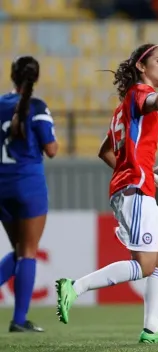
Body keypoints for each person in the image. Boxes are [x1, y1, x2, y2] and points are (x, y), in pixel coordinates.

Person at [55, 33, 158, 344]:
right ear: (141, 67)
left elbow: (105, 151)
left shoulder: (124, 106)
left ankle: (151, 329)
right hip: (134, 189)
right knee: (145, 264)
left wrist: (138, 167)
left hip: (136, 183)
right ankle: (75, 287)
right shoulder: (139, 93)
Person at [0, 56, 58, 332]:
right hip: (27, 183)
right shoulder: (36, 107)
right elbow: (51, 149)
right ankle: (19, 320)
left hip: (1, 184)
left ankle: (20, 320)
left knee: (19, 250)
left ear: (12, 75)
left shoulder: (0, 104)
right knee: (28, 252)